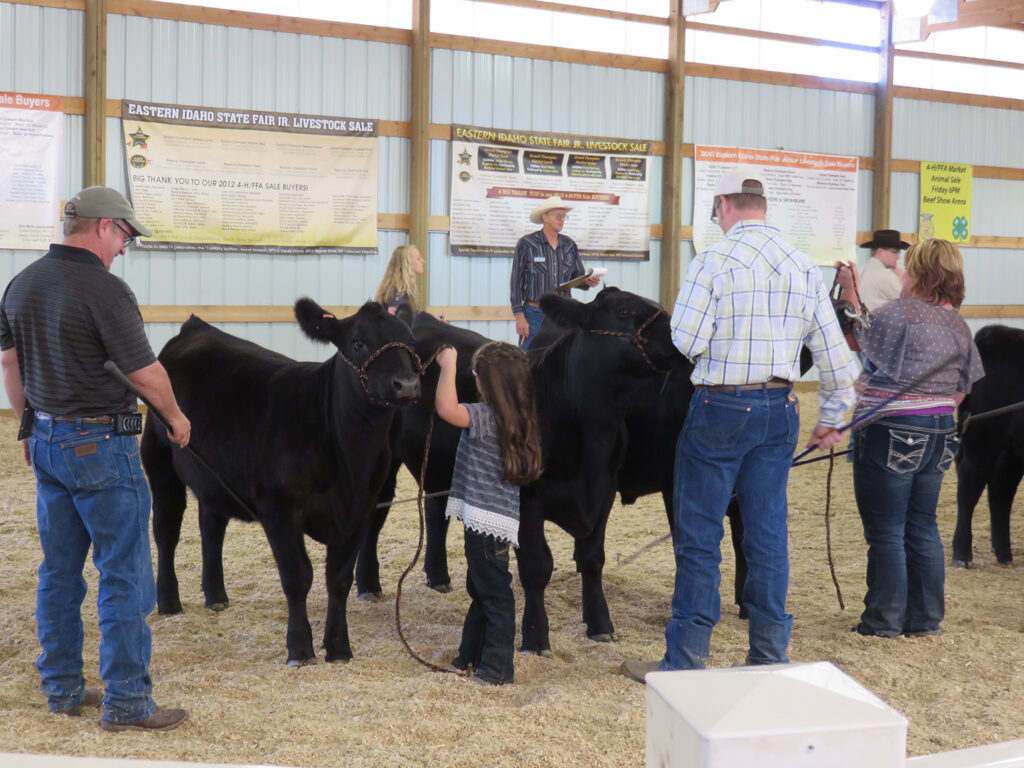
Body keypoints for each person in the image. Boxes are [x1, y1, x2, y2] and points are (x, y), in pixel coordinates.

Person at [621, 167, 858, 682]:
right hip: (781, 410)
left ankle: (685, 660)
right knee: (768, 532)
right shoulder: (801, 266)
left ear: (724, 206)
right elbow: (840, 362)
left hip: (721, 409)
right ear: (763, 206)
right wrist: (834, 420)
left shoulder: (713, 260)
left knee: (700, 533)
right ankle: (769, 654)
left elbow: (684, 339)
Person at [0, 186, 192, 731]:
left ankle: (61, 690)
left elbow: (10, 364)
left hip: (47, 443)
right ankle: (127, 701)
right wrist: (175, 418)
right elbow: (144, 372)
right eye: (126, 235)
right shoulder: (106, 290)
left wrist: (27, 427)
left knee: (59, 572)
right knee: (125, 573)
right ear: (104, 226)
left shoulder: (21, 283)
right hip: (102, 446)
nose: (126, 247)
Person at [835, 238, 983, 639]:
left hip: (892, 430)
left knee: (886, 531)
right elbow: (963, 388)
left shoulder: (902, 314)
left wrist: (848, 291)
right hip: (940, 429)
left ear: (919, 273)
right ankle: (924, 619)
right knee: (922, 525)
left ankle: (883, 621)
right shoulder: (958, 324)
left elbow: (855, 339)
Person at [434, 341, 542, 685]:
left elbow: (446, 408)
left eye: (476, 374)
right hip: (495, 522)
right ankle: (470, 656)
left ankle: (497, 670)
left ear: (490, 382)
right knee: (482, 590)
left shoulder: (483, 417)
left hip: (485, 526)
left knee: (495, 596)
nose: (474, 379)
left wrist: (449, 365)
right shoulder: (518, 417)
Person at [510, 196, 601, 350]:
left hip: (563, 314)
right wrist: (519, 315)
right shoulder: (527, 244)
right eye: (558, 216)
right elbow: (516, 282)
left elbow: (576, 277)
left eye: (564, 216)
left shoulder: (569, 245)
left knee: (562, 357)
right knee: (530, 358)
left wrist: (587, 282)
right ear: (544, 217)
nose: (562, 220)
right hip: (534, 313)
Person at [857, 229, 908, 312]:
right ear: (880, 252)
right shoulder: (887, 276)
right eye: (895, 252)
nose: (898, 257)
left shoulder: (860, 272)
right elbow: (907, 305)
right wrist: (901, 278)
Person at [375, 244, 425, 314]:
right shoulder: (398, 291)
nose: (423, 261)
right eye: (418, 258)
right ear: (407, 263)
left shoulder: (400, 289)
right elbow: (396, 318)